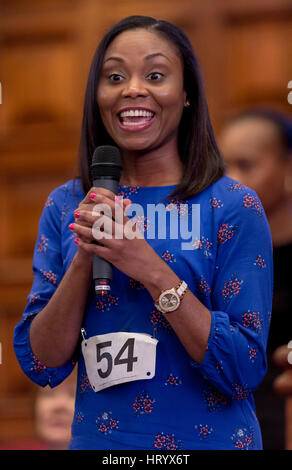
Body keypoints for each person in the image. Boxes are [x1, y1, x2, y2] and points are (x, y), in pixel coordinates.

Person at [14, 16, 273, 450]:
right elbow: (41, 362)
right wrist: (85, 254)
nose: (132, 89)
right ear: (98, 96)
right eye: (114, 76)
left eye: (155, 75)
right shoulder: (67, 205)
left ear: (186, 94)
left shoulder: (232, 206)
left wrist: (150, 269)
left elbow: (243, 368)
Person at [219, 108, 292, 449]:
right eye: (223, 169)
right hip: (226, 421)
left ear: (288, 166)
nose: (231, 182)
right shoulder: (214, 251)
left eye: (246, 166)